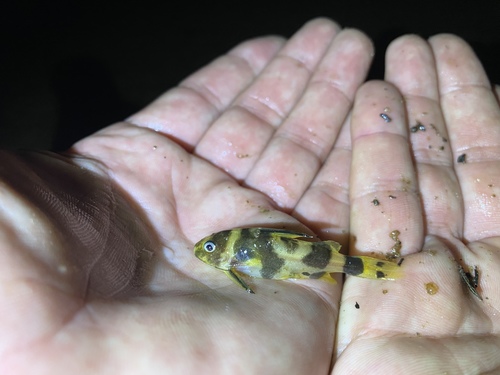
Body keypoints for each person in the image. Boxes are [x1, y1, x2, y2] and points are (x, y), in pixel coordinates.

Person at [1, 18, 499, 374]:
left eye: (211, 249)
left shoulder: (235, 256)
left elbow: (257, 262)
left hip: (312, 262)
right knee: (343, 262)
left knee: (342, 262)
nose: (208, 251)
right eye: (210, 250)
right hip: (310, 265)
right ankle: (370, 268)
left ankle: (372, 268)